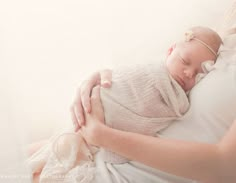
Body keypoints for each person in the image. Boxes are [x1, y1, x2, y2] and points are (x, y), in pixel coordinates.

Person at [27, 26, 223, 182]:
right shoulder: (153, 71)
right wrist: (102, 83)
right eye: (185, 61)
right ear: (170, 51)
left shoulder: (181, 97)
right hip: (95, 109)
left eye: (199, 73)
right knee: (43, 152)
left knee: (51, 159)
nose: (189, 73)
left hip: (100, 138)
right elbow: (124, 79)